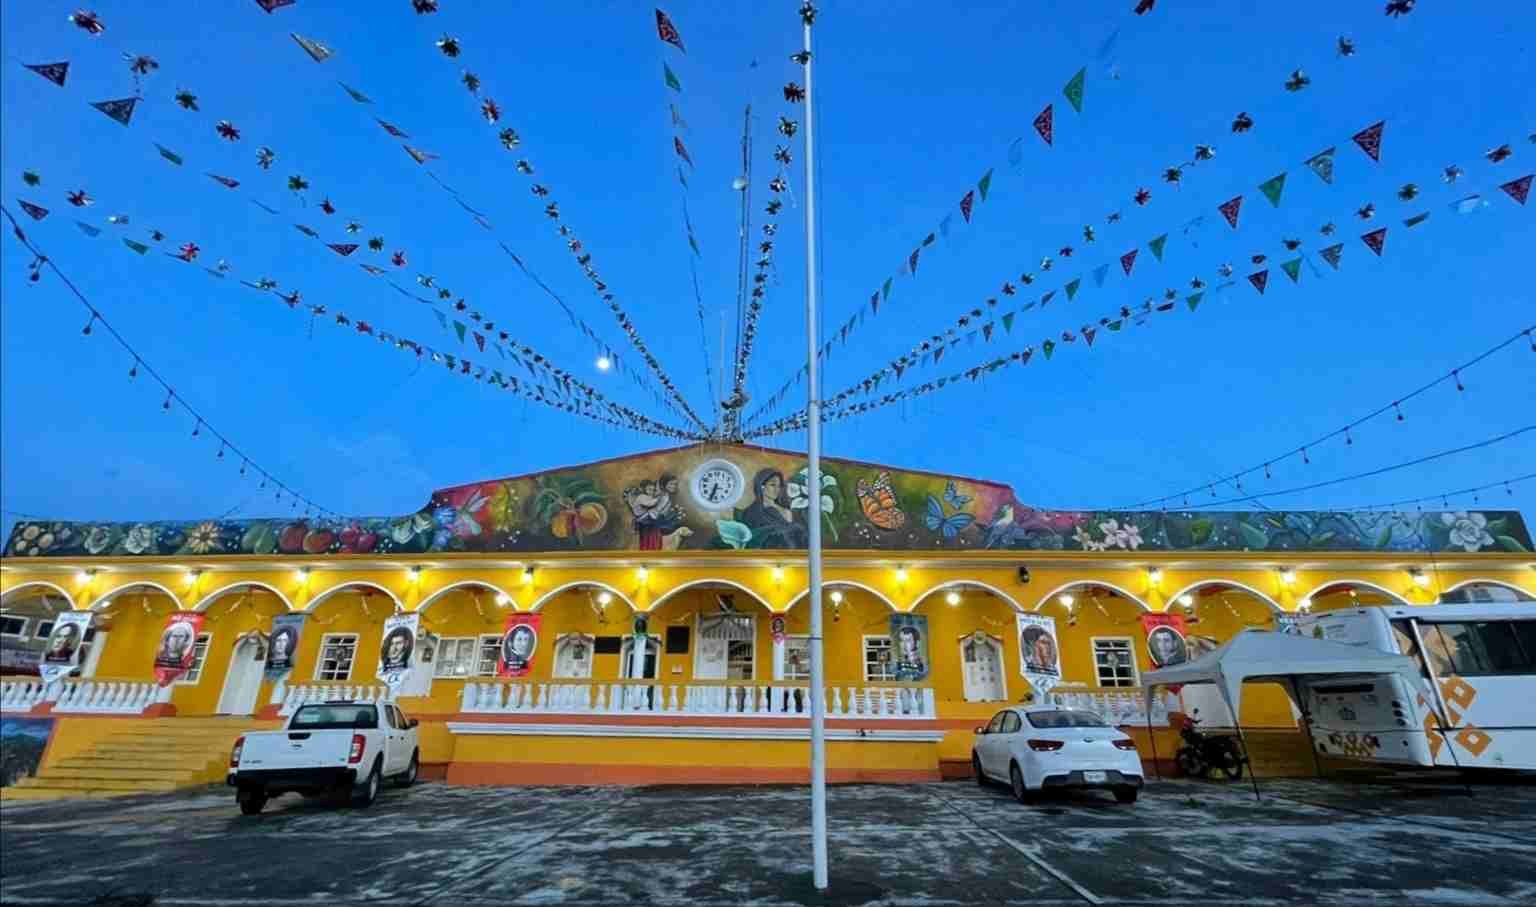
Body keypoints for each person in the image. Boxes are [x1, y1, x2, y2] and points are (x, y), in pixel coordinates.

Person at [739, 469, 807, 548]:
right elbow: (755, 536)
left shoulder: (786, 510)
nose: (777, 489)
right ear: (762, 486)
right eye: (772, 485)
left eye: (779, 486)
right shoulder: (752, 512)